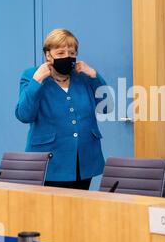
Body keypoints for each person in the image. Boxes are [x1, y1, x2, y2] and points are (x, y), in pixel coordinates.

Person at [15, 28, 107, 190]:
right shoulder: (31, 75)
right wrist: (37, 81)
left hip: (84, 159)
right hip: (49, 160)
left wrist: (94, 76)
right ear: (48, 55)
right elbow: (24, 115)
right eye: (60, 53)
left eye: (71, 52)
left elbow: (107, 108)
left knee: (79, 209)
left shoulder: (83, 76)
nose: (67, 57)